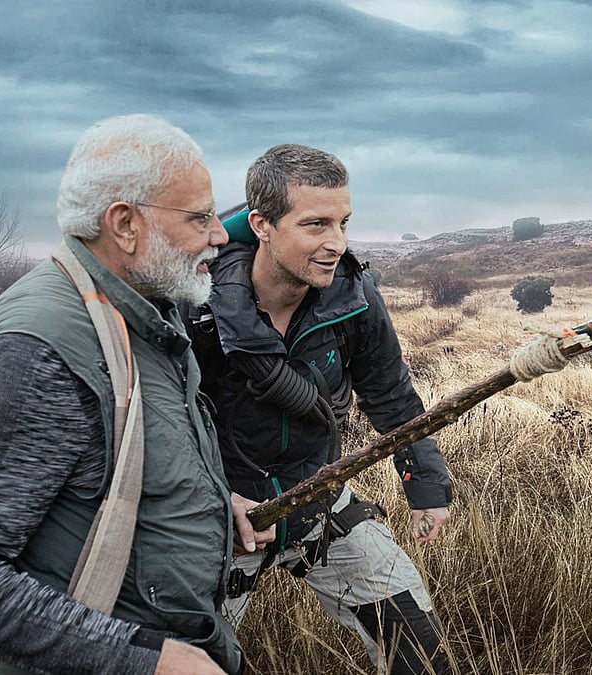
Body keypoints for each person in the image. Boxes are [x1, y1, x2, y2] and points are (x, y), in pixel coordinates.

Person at [0, 114, 271, 675]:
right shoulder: (39, 347)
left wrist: (209, 507)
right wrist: (148, 661)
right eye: (200, 217)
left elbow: (117, 467)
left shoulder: (151, 309)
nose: (219, 235)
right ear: (125, 224)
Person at [189, 144, 451, 674]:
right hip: (218, 523)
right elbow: (151, 421)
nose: (336, 243)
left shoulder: (354, 297)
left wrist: (423, 483)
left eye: (343, 223)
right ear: (261, 224)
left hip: (319, 506)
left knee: (420, 658)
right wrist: (217, 497)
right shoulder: (191, 305)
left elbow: (391, 394)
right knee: (185, 664)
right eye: (315, 225)